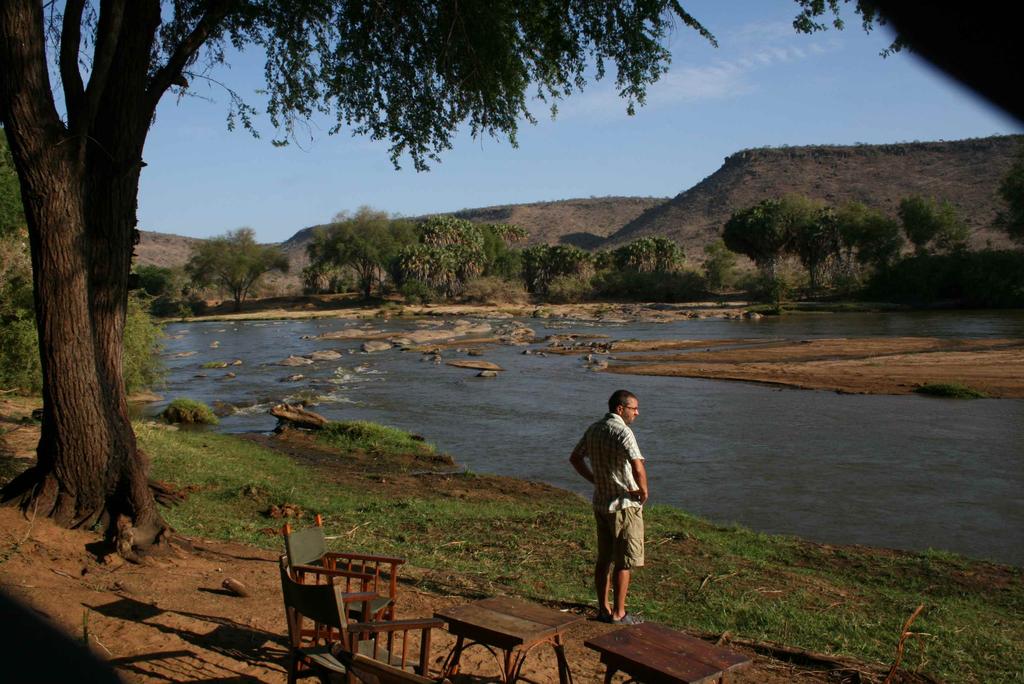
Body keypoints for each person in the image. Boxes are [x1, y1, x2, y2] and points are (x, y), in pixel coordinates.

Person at [569, 389, 648, 624]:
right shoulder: (624, 432)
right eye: (634, 408)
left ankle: (603, 609)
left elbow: (575, 458)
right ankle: (619, 613)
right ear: (620, 409)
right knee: (624, 561)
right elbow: (637, 465)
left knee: (604, 559)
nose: (637, 413)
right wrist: (643, 490)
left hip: (601, 503)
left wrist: (594, 479)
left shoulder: (594, 429)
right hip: (623, 505)